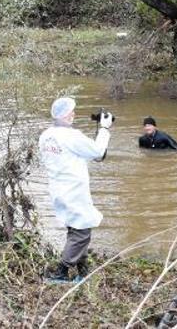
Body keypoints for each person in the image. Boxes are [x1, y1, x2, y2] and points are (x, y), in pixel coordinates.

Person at [38, 97, 114, 283]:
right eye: (72, 111)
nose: (74, 114)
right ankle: (61, 272)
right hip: (73, 191)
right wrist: (104, 128)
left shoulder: (46, 135)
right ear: (65, 115)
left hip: (58, 190)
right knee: (82, 232)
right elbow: (97, 153)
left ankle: (83, 270)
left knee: (75, 228)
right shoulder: (72, 136)